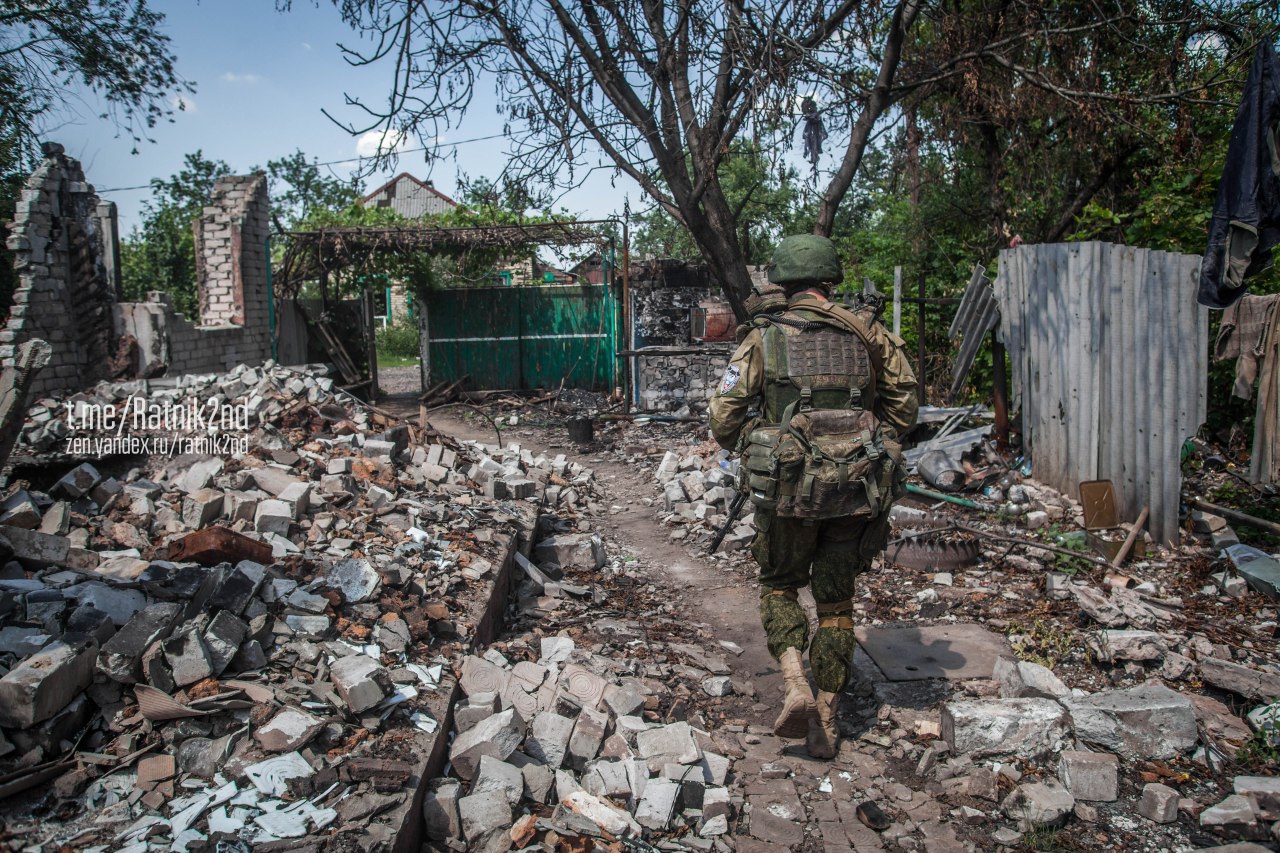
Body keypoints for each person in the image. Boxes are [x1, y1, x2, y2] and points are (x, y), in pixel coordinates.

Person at [709, 235, 918, 758]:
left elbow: (722, 418)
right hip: (853, 492)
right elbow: (906, 407)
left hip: (787, 494)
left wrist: (760, 439)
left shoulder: (763, 337)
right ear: (830, 279)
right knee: (837, 604)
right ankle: (826, 713)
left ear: (782, 281)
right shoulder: (869, 333)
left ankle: (794, 682)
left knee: (779, 585)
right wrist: (865, 448)